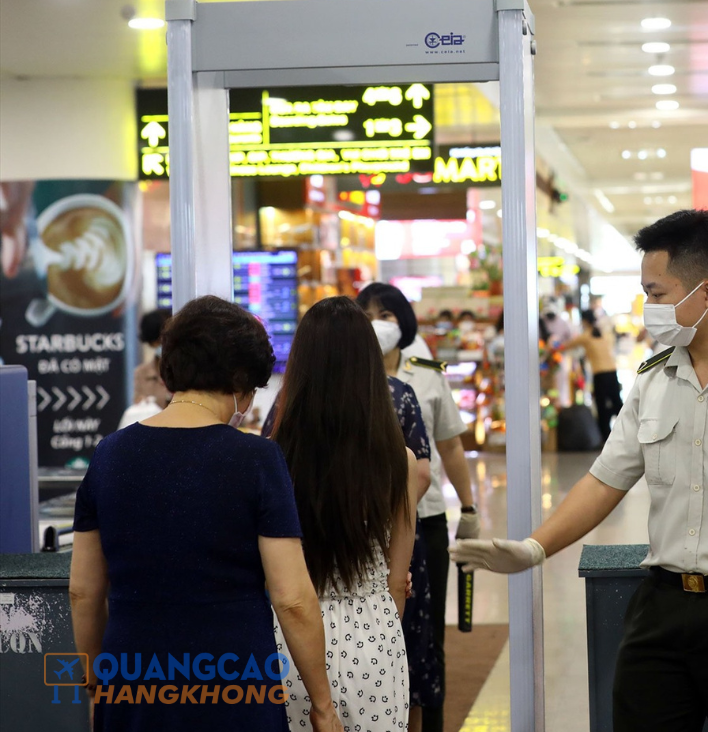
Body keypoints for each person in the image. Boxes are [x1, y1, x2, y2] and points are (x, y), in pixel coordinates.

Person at [452, 209, 708, 731]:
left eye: (658, 293)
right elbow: (605, 479)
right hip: (662, 604)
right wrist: (534, 548)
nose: (649, 308)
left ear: (706, 293)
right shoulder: (652, 380)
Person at [69, 296, 338, 732]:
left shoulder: (109, 455)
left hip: (132, 675)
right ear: (238, 379)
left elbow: (83, 591)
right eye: (252, 387)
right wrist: (322, 705)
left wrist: (96, 685)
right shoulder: (256, 459)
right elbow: (292, 599)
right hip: (235, 677)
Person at [262, 313, 438, 730]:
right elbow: (399, 580)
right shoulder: (400, 461)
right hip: (374, 639)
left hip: (288, 638)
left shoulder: (270, 458)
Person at [357, 282, 481, 732]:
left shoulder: (427, 374)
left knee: (427, 637)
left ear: (403, 322)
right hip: (363, 526)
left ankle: (433, 723)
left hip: (423, 519)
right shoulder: (349, 374)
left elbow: (449, 444)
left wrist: (468, 508)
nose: (378, 324)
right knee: (371, 629)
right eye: (368, 314)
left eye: (386, 315)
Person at [561, 309, 624, 438]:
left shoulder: (587, 335)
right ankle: (628, 432)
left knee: (601, 405)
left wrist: (554, 346)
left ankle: (605, 436)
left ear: (584, 321)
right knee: (617, 403)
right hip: (612, 371)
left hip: (600, 373)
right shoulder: (602, 333)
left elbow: (567, 345)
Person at [132, 308, 173, 408]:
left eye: (162, 341)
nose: (160, 346)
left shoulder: (186, 370)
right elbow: (137, 404)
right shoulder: (141, 373)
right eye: (156, 343)